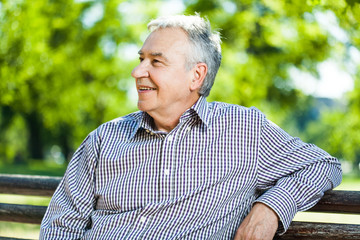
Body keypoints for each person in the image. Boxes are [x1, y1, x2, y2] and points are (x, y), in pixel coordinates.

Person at [40, 14, 342, 239]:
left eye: (156, 62)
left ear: (196, 76)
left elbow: (323, 166)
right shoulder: (104, 139)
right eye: (141, 59)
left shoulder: (245, 130)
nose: (137, 71)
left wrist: (271, 209)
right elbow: (60, 225)